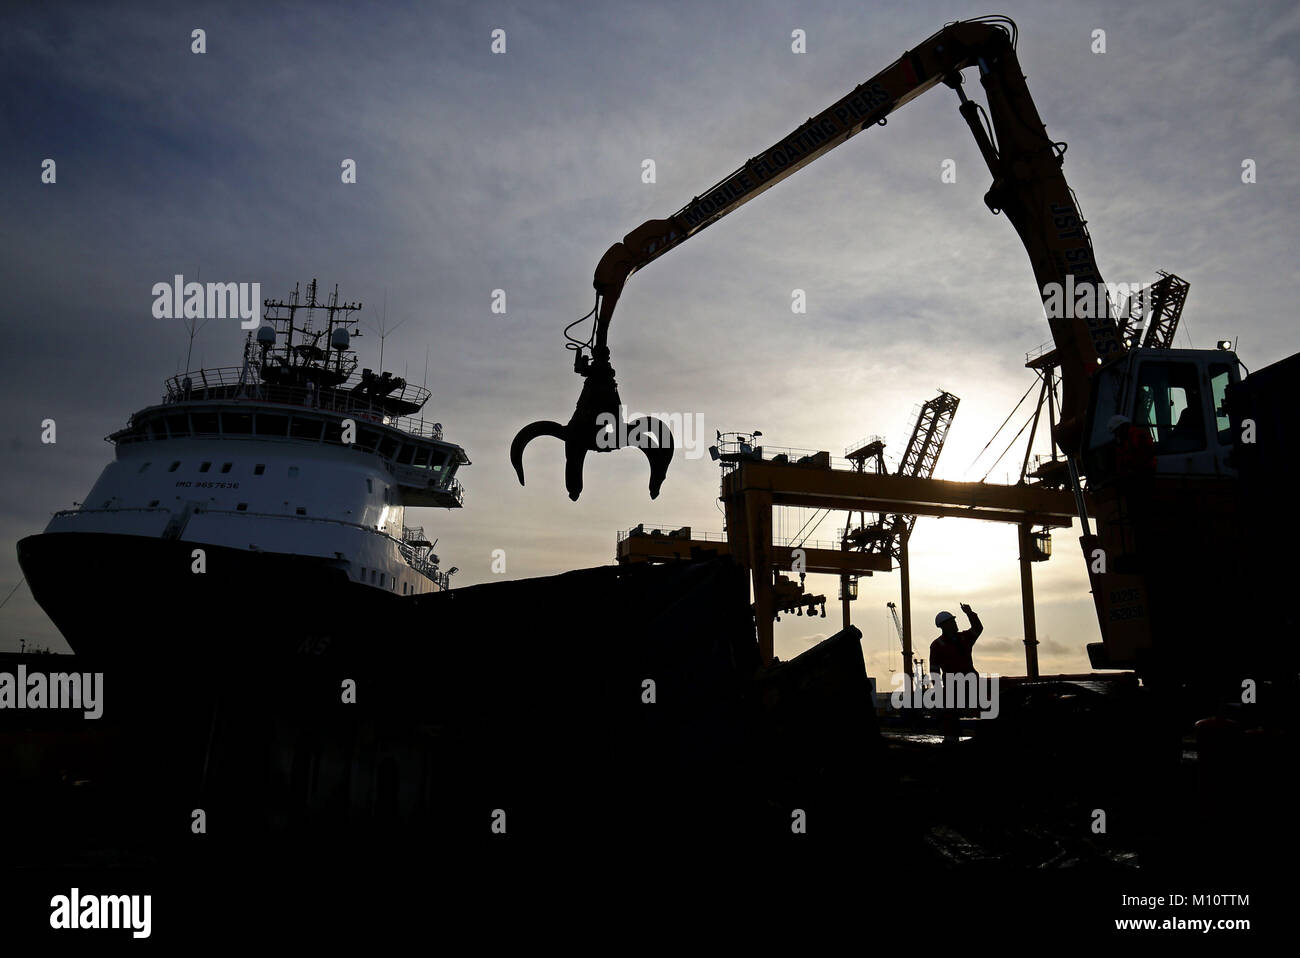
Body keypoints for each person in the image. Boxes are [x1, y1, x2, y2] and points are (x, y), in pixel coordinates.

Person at [930, 603, 983, 744]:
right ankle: (951, 744)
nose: (955, 623)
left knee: (980, 712)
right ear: (944, 626)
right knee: (951, 717)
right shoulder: (937, 645)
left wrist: (970, 613)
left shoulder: (964, 638)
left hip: (971, 683)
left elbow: (978, 628)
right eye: (952, 622)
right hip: (953, 686)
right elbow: (934, 671)